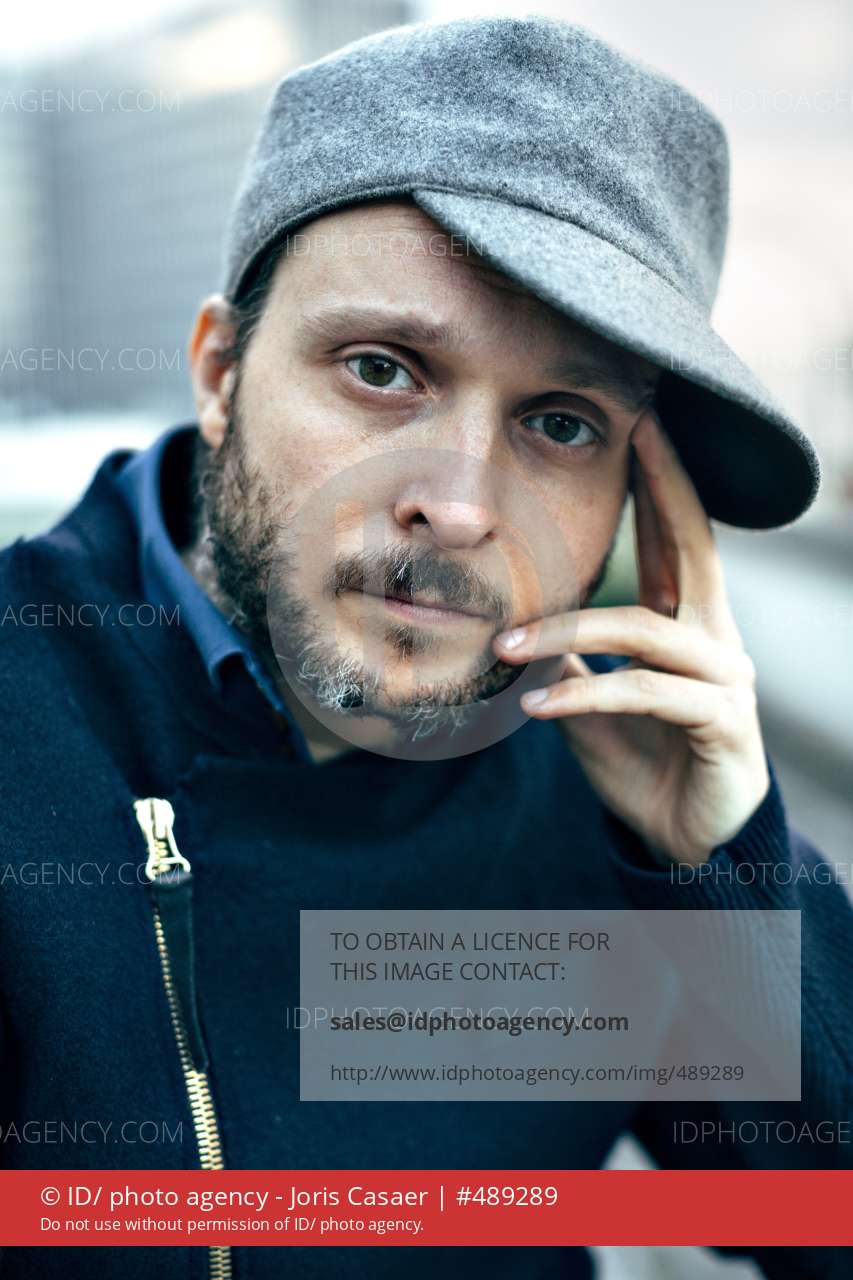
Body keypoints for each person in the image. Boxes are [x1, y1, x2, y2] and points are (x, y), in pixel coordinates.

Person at [0, 16, 849, 1280]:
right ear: (222, 372)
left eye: (560, 422)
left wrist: (727, 870)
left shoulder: (602, 776)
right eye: (383, 368)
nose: (456, 504)